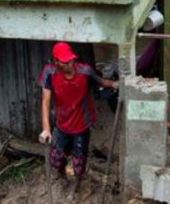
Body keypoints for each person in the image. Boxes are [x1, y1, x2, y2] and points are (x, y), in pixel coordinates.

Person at [38, 42, 116, 181]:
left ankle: (77, 181)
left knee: (79, 165)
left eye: (71, 60)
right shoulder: (49, 73)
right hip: (62, 122)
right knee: (55, 160)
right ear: (56, 62)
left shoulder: (84, 71)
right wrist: (46, 129)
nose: (69, 64)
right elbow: (45, 101)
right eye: (65, 62)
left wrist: (115, 84)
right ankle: (61, 173)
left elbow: (100, 81)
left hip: (82, 123)